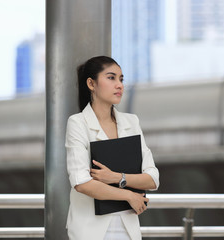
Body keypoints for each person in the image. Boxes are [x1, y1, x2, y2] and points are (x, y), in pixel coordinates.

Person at [65, 56, 160, 240]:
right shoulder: (78, 123)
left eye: (121, 79)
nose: (119, 85)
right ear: (91, 84)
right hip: (89, 230)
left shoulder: (131, 122)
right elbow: (82, 182)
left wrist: (117, 178)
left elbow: (153, 179)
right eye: (111, 78)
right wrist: (128, 195)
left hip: (127, 227)